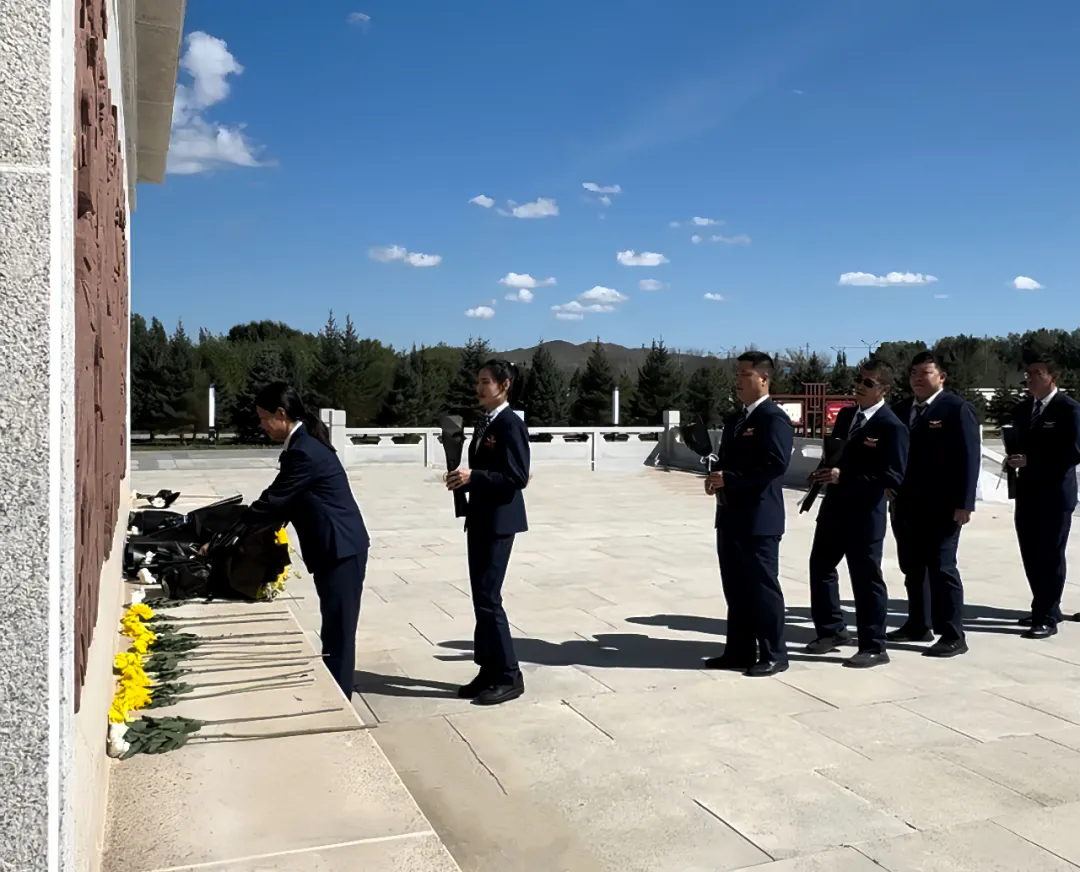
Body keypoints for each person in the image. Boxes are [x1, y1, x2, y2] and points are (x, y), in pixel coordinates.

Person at [234, 382, 370, 697]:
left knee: (338, 631)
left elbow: (273, 501)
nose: (262, 425)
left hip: (340, 549)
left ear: (281, 414)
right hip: (334, 548)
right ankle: (337, 691)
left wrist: (227, 535)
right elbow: (283, 504)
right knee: (334, 627)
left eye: (264, 418)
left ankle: (340, 700)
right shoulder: (301, 444)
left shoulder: (304, 452)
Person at [805, 360, 908, 668]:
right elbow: (835, 455)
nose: (859, 387)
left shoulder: (892, 426)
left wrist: (845, 477)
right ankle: (831, 630)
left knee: (866, 579)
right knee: (821, 568)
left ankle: (874, 645)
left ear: (884, 389)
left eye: (868, 383)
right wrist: (821, 473)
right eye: (859, 380)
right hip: (834, 508)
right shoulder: (847, 416)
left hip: (865, 514)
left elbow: (893, 476)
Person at [445, 360, 531, 705]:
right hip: (480, 518)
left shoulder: (510, 424)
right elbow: (486, 470)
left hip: (499, 522)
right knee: (481, 598)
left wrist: (474, 477)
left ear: (504, 384)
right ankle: (488, 669)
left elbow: (517, 477)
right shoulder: (485, 422)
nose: (479, 388)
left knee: (490, 598)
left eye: (485, 381)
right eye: (478, 381)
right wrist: (463, 481)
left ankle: (509, 675)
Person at [703, 351, 794, 677]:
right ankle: (739, 651)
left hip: (759, 518)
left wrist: (730, 478)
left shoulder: (773, 419)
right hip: (730, 516)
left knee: (762, 588)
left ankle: (774, 653)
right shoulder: (735, 420)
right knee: (736, 588)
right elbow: (728, 463)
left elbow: (775, 465)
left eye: (745, 375)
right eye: (737, 375)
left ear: (764, 379)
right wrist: (716, 478)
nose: (738, 381)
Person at [889, 352, 980, 657]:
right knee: (912, 567)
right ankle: (918, 623)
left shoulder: (956, 409)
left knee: (942, 567)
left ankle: (953, 633)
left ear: (941, 377)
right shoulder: (901, 409)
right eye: (913, 372)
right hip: (906, 504)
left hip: (943, 506)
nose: (917, 378)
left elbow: (969, 458)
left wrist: (965, 503)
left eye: (925, 372)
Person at [1005, 358, 1080, 638]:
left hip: (1055, 495)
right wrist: (1013, 459)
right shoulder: (1023, 409)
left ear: (1053, 377)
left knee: (1050, 554)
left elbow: (1073, 452)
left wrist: (1032, 461)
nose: (1030, 379)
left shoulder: (1069, 410)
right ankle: (1044, 605)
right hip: (1027, 493)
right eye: (1028, 374)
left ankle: (1047, 616)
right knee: (1031, 554)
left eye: (1037, 374)